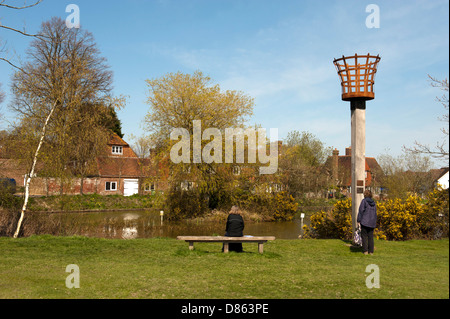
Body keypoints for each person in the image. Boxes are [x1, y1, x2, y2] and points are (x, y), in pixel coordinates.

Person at [357, 190, 377, 255]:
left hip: (365, 221)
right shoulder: (374, 202)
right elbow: (375, 213)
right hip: (372, 222)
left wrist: (358, 220)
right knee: (370, 237)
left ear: (365, 195)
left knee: (364, 236)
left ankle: (365, 250)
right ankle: (371, 251)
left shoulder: (364, 201)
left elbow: (361, 211)